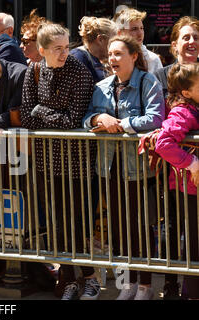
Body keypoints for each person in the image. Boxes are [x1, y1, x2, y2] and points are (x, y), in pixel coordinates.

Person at [83, 35, 165, 300]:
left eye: (119, 54)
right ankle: (125, 284)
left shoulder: (147, 81)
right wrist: (98, 117)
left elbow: (156, 118)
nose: (112, 59)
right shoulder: (102, 86)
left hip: (138, 168)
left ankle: (144, 286)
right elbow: (87, 119)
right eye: (110, 54)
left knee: (140, 227)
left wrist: (121, 124)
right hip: (109, 167)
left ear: (133, 56)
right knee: (116, 228)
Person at [20, 22, 98, 300]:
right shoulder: (34, 70)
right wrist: (47, 114)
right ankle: (67, 278)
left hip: (76, 160)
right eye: (57, 49)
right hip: (44, 159)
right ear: (42, 51)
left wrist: (42, 110)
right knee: (55, 222)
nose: (65, 53)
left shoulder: (79, 72)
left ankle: (88, 276)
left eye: (67, 47)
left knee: (75, 221)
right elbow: (27, 118)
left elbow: (72, 121)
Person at [155, 63, 199, 300]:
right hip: (190, 188)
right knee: (195, 244)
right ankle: (190, 294)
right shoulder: (183, 111)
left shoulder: (195, 107)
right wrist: (192, 162)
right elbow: (164, 144)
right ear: (186, 92)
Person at [154, 16, 199, 98]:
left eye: (196, 38)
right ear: (174, 45)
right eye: (186, 38)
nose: (192, 41)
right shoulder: (160, 76)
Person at [114, 8, 163, 73]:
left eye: (141, 28)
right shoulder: (112, 58)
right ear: (120, 33)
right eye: (134, 29)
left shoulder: (153, 60)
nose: (140, 34)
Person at [71, 16, 117, 84]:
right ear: (100, 39)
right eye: (113, 40)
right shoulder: (78, 58)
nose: (116, 45)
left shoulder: (100, 60)